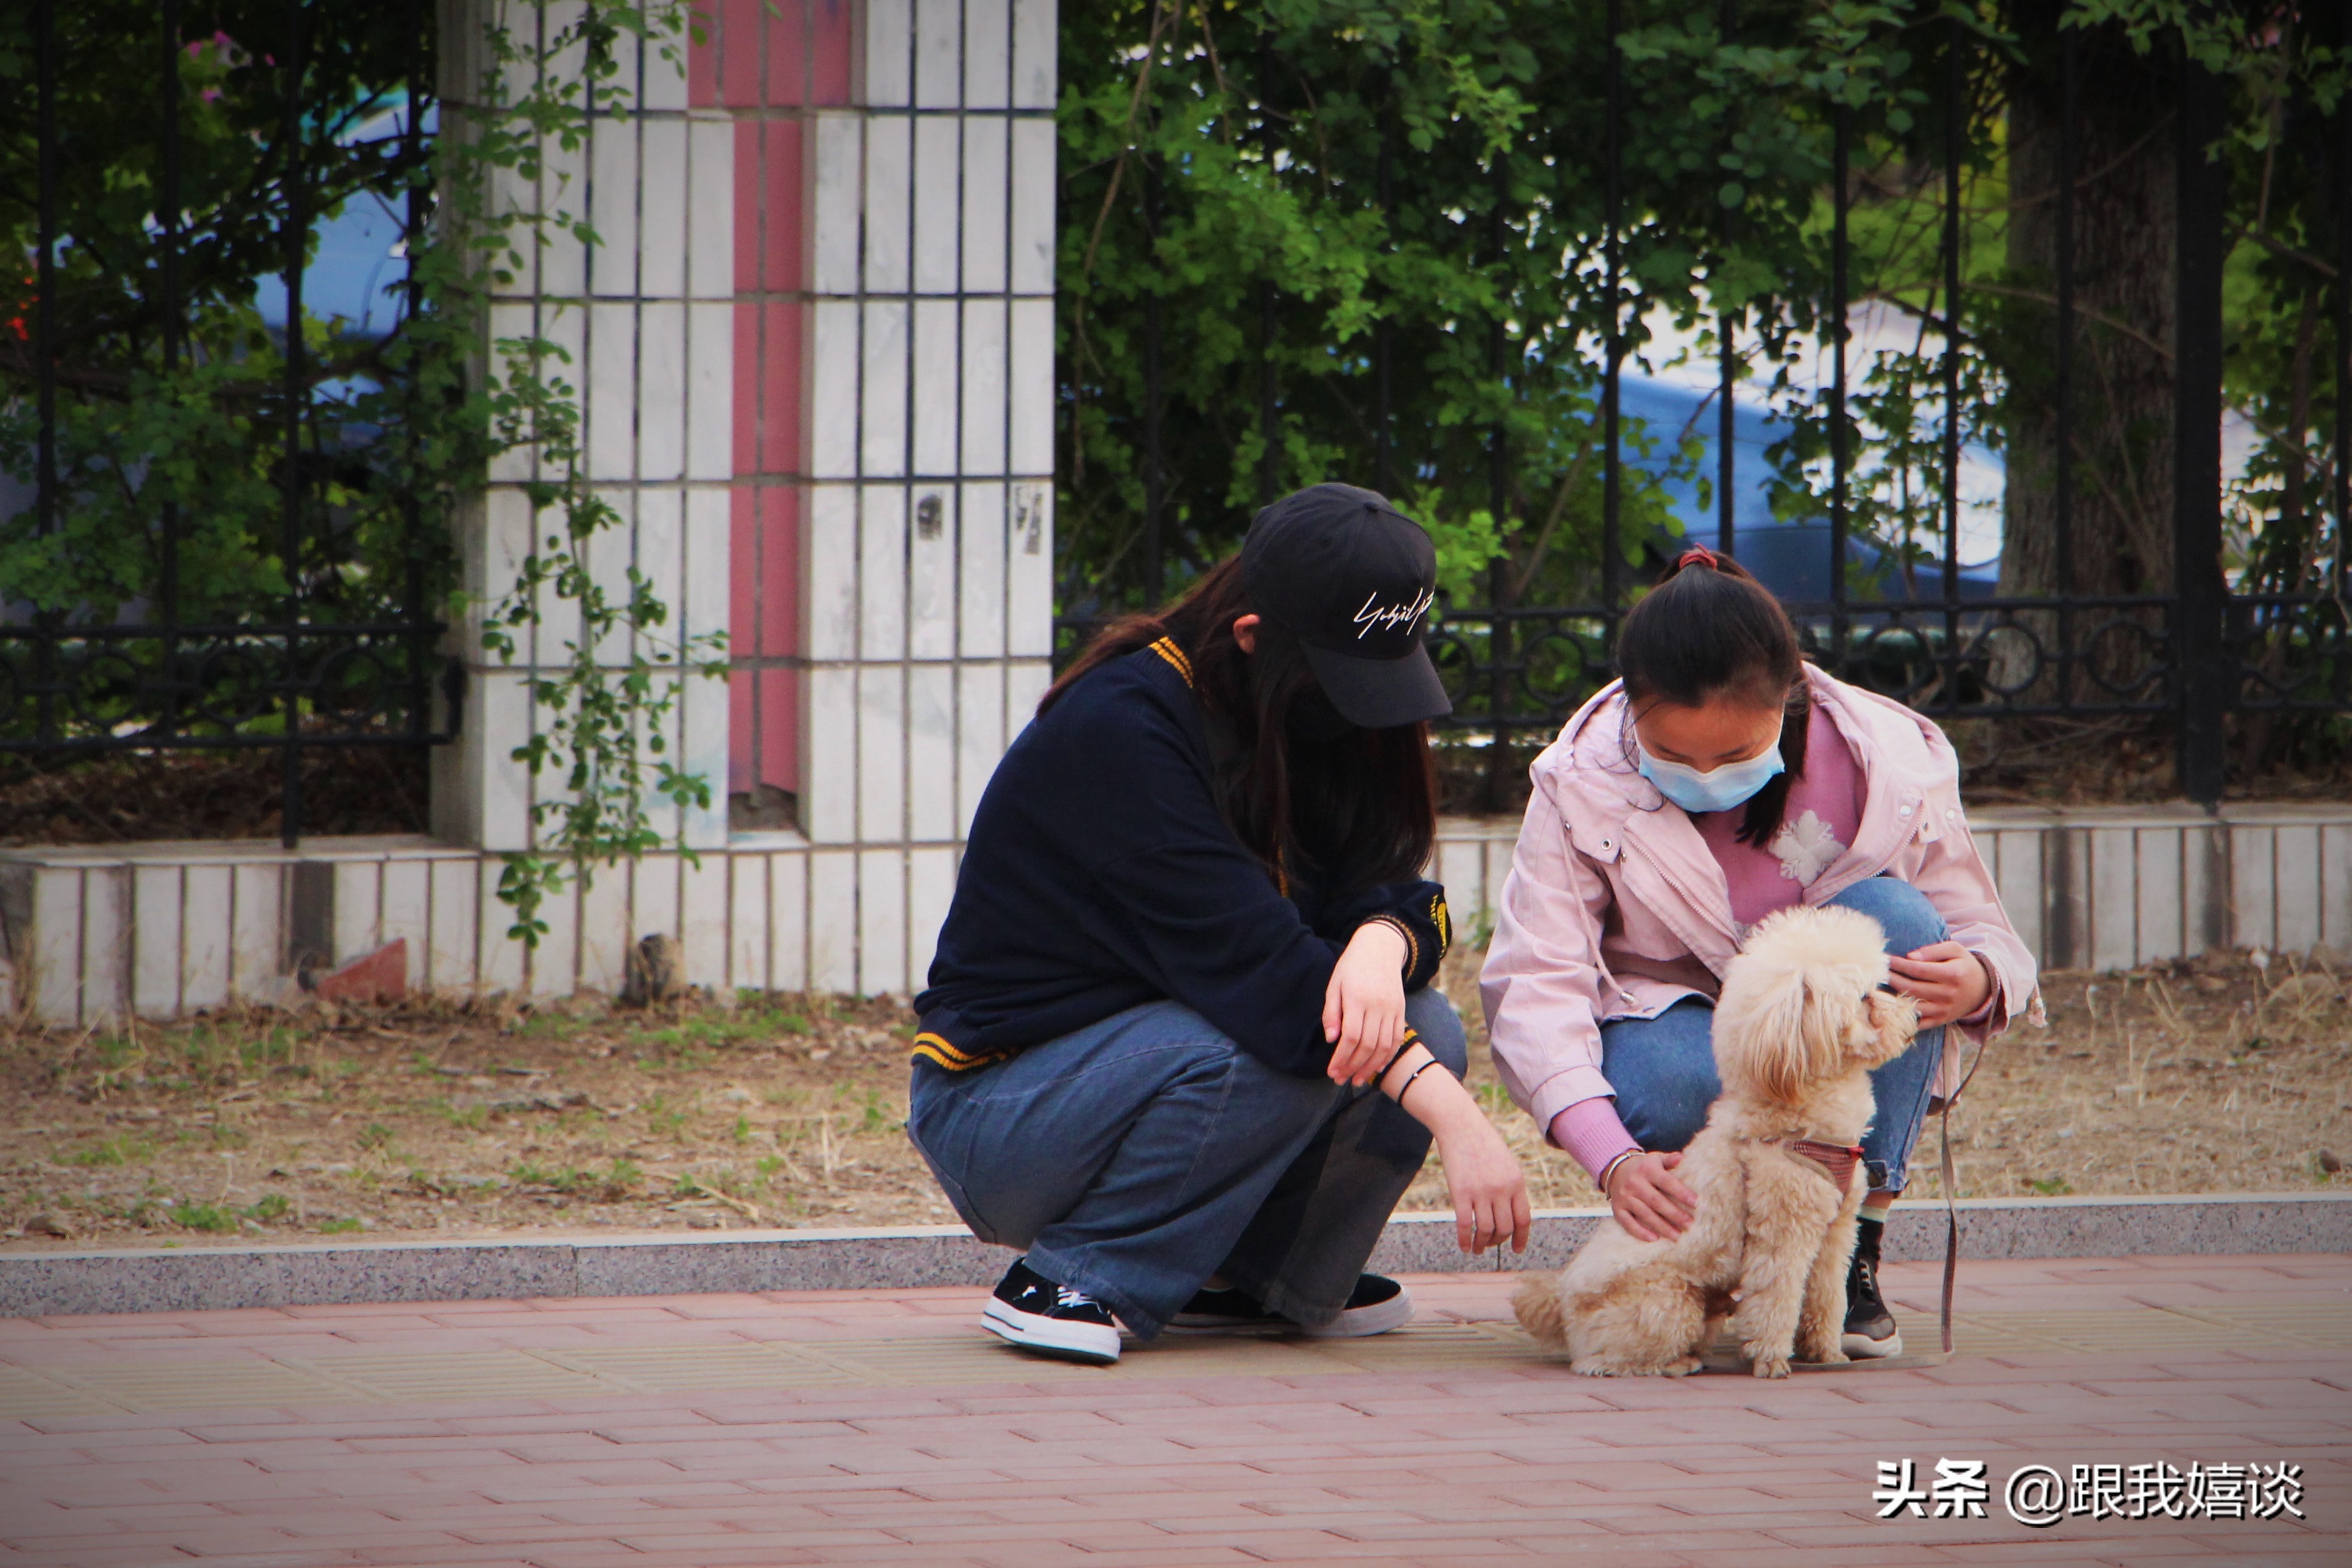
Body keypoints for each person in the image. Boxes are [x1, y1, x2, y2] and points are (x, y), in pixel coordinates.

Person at [908, 483, 1531, 1365]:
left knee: (1414, 1017)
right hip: (1005, 1111)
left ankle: (1254, 1277)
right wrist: (1463, 1125)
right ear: (1250, 637)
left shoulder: (1293, 713)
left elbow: (1410, 899)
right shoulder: (1122, 730)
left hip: (1158, 1061)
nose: (1363, 709)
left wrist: (1378, 942)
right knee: (1298, 1041)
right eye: (1344, 678)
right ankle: (1074, 1273)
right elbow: (1268, 987)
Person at [1481, 547, 2040, 1357]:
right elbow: (1535, 983)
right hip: (1668, 1021)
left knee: (1902, 920)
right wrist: (1612, 1160)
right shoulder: (1580, 778)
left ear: (1786, 700)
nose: (1705, 774)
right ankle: (1692, 1250)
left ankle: (1850, 1249)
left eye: (1735, 754)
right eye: (1674, 758)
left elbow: (1979, 923)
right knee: (1686, 1085)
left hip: (1826, 1034)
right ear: (1628, 712)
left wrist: (1982, 976)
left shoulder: (1885, 759)